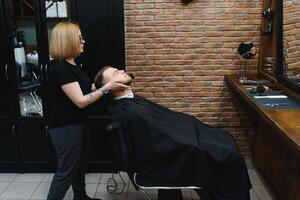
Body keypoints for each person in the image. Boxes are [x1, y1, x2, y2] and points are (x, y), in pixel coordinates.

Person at [94, 66, 252, 200]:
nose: (122, 70)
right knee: (229, 155)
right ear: (110, 86)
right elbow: (153, 144)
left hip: (182, 136)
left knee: (224, 140)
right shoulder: (125, 112)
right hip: (171, 150)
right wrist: (188, 137)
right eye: (115, 73)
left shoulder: (131, 101)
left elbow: (163, 125)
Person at [47, 22, 129, 200]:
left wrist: (110, 79)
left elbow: (89, 89)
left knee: (80, 165)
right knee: (66, 171)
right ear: (68, 40)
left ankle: (81, 197)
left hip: (78, 123)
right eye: (79, 38)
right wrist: (107, 88)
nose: (83, 41)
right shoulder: (61, 68)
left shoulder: (74, 66)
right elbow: (81, 101)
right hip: (65, 127)